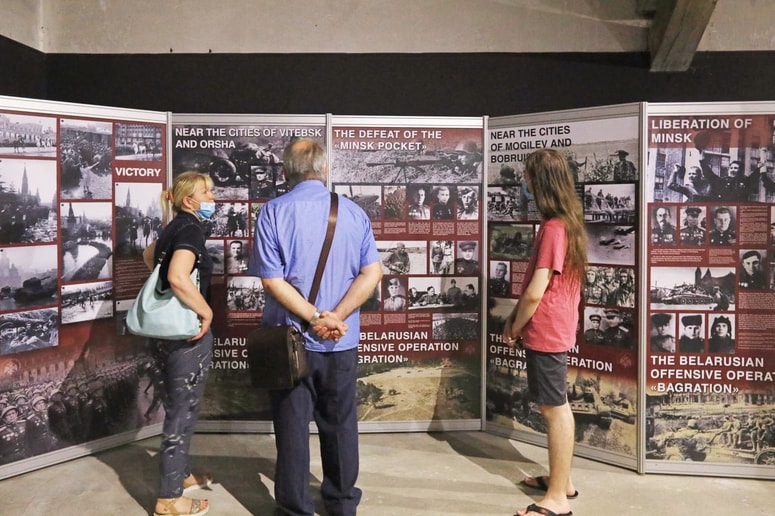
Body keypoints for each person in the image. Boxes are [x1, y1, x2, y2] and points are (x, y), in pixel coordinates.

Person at [249, 139, 382, 516]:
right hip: (340, 341)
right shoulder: (354, 213)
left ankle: (294, 509)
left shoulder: (273, 212)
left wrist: (313, 317)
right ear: (324, 170)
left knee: (291, 430)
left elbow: (273, 281)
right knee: (340, 425)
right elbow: (372, 272)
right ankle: (341, 505)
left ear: (285, 171)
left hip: (288, 343)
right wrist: (335, 317)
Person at [501, 149, 586, 516]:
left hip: (547, 329)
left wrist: (514, 325)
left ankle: (556, 500)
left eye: (528, 177)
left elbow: (537, 290)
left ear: (540, 182)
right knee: (556, 404)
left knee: (554, 409)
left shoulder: (553, 228)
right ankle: (561, 480)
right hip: (557, 325)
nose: (525, 183)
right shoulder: (568, 222)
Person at [141, 171, 216, 516]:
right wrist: (206, 312)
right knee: (181, 413)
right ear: (189, 200)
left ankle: (181, 474)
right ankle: (168, 499)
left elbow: (148, 257)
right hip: (186, 335)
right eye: (207, 192)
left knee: (177, 405)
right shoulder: (190, 229)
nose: (213, 197)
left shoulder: (173, 225)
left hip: (162, 334)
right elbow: (176, 276)